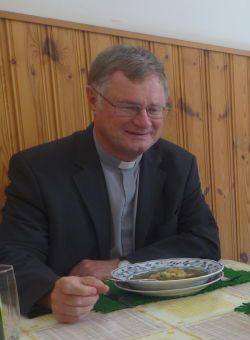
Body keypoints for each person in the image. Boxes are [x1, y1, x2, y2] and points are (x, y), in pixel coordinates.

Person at [0, 45, 220, 323]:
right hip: (78, 319)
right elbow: (14, 254)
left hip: (161, 312)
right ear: (93, 99)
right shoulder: (38, 168)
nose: (144, 122)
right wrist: (50, 293)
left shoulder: (179, 164)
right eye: (129, 107)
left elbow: (204, 242)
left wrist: (122, 265)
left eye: (154, 109)